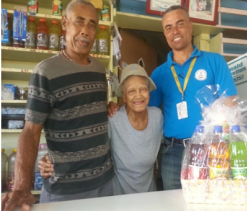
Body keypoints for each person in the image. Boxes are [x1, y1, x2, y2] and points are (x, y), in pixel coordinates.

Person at [1, 0, 114, 211]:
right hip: (64, 190)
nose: (85, 31)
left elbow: (94, 117)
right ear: (65, 23)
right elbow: (30, 133)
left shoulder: (100, 70)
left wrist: (113, 106)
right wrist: (23, 186)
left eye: (92, 24)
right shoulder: (46, 72)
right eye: (79, 22)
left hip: (105, 184)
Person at [108, 5, 237, 190]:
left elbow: (230, 104)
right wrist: (115, 106)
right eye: (168, 27)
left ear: (190, 26)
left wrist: (222, 143)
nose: (174, 31)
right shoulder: (159, 74)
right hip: (173, 153)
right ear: (164, 33)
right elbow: (141, 108)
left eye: (180, 24)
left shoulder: (214, 61)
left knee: (214, 202)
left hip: (211, 148)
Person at [39, 64, 164, 195]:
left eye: (143, 89)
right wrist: (52, 158)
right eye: (131, 91)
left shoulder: (157, 117)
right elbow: (88, 145)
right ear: (124, 97)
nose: (138, 95)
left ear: (149, 92)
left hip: (150, 196)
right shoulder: (113, 118)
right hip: (118, 197)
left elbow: (167, 144)